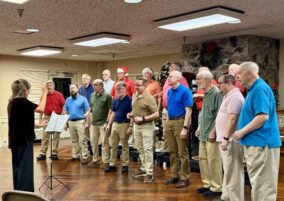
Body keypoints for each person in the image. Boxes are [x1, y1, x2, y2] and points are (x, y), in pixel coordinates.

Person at [234, 62, 282, 201]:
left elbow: (262, 117)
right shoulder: (253, 89)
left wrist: (242, 131)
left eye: (240, 73)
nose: (237, 77)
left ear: (250, 73)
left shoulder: (260, 89)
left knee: (263, 187)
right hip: (256, 143)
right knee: (259, 185)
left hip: (262, 143)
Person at [8, 79, 48, 192]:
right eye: (28, 89)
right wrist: (44, 92)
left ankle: (18, 192)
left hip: (15, 140)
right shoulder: (22, 101)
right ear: (24, 90)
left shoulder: (12, 102)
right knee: (25, 169)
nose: (29, 91)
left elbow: (20, 121)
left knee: (18, 168)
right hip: (23, 140)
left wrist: (38, 124)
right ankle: (25, 194)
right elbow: (41, 109)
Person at [214, 74, 245, 201]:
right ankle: (226, 197)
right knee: (228, 171)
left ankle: (235, 199)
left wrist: (226, 138)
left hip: (231, 140)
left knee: (234, 174)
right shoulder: (229, 96)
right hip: (226, 139)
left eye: (220, 83)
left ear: (229, 83)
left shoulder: (235, 96)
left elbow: (233, 119)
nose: (218, 85)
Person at [195, 70, 223, 197]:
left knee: (214, 160)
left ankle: (216, 187)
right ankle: (207, 184)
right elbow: (204, 113)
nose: (197, 82)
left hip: (212, 134)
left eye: (198, 79)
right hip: (203, 132)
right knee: (203, 159)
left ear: (206, 79)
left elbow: (219, 114)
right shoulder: (205, 93)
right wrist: (200, 127)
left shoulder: (216, 93)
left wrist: (213, 131)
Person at [164, 71, 193, 188]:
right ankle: (174, 175)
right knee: (172, 151)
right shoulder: (170, 91)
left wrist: (185, 127)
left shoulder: (186, 91)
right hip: (170, 121)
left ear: (178, 78)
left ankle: (185, 178)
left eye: (170, 76)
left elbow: (189, 111)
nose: (168, 78)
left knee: (182, 152)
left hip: (180, 121)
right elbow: (168, 108)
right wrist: (166, 123)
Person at [131, 78, 159, 183]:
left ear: (145, 85)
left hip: (147, 126)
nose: (136, 87)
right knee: (140, 148)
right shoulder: (134, 96)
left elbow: (156, 114)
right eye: (135, 85)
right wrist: (131, 114)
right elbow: (135, 109)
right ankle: (144, 167)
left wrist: (143, 119)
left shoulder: (149, 98)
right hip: (136, 126)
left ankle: (149, 173)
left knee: (147, 149)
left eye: (138, 85)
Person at [104, 82, 132, 174]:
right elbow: (113, 113)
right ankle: (112, 165)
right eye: (117, 89)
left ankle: (125, 165)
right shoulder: (115, 100)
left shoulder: (130, 100)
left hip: (125, 124)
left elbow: (132, 115)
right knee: (113, 146)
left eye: (120, 89)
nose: (118, 91)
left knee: (124, 146)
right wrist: (108, 124)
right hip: (115, 124)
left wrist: (130, 126)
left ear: (125, 89)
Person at [161, 62, 189, 151]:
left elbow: (184, 95)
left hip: (177, 113)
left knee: (179, 141)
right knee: (165, 132)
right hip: (167, 110)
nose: (170, 68)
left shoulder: (182, 80)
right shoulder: (168, 81)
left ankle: (173, 151)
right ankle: (167, 149)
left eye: (172, 67)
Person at [37, 80, 65, 161]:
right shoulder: (43, 96)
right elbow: (41, 108)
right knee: (45, 136)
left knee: (56, 136)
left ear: (53, 86)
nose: (49, 87)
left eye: (50, 85)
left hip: (57, 116)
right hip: (47, 117)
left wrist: (62, 115)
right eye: (47, 85)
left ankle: (54, 153)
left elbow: (63, 105)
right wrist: (40, 119)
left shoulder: (59, 95)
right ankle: (43, 153)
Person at [88, 79, 112, 169]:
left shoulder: (107, 96)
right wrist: (87, 116)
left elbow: (110, 110)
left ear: (101, 85)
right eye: (93, 85)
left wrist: (107, 122)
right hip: (94, 123)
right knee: (93, 142)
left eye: (96, 85)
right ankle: (95, 159)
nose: (94, 87)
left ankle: (106, 161)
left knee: (104, 143)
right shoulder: (92, 95)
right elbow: (91, 108)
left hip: (103, 123)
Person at [64, 84, 90, 164]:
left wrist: (87, 122)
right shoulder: (68, 99)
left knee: (82, 140)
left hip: (80, 121)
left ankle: (85, 156)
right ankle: (76, 155)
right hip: (71, 122)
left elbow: (87, 111)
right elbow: (66, 112)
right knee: (74, 140)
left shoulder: (83, 99)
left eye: (73, 88)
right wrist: (65, 123)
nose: (72, 89)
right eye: (70, 88)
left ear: (77, 89)